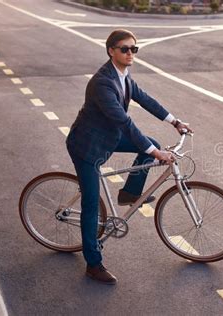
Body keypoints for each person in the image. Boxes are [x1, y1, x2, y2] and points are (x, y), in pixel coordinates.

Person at [66, 29, 192, 284]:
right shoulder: (102, 83)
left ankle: (129, 193)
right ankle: (93, 264)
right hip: (87, 147)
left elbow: (145, 99)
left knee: (151, 144)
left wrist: (174, 121)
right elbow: (124, 122)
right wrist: (155, 153)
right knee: (91, 205)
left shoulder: (123, 75)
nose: (130, 53)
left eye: (134, 49)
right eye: (125, 49)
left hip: (108, 138)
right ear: (111, 51)